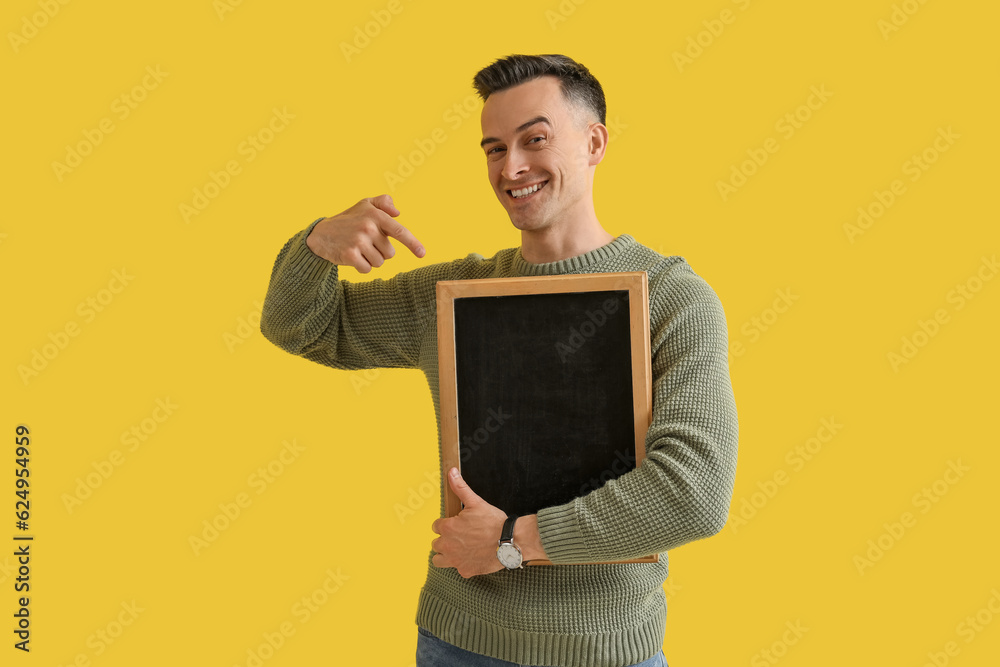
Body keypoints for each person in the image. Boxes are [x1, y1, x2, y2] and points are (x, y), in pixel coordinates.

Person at [260, 54, 738, 667]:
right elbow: (303, 326)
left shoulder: (672, 297)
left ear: (593, 143)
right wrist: (315, 246)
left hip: (603, 654)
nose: (511, 168)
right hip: (458, 643)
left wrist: (513, 541)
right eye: (493, 148)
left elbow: (693, 491)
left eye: (534, 139)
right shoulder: (453, 297)